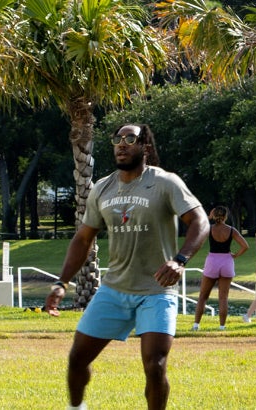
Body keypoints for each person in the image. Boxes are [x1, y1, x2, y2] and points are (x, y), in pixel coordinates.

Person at [45, 123, 208, 410]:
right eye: (118, 139)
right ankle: (76, 408)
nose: (122, 144)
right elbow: (83, 239)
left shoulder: (165, 182)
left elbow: (200, 221)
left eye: (130, 139)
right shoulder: (102, 188)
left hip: (157, 291)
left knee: (155, 366)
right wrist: (62, 282)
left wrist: (180, 259)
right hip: (114, 289)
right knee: (77, 359)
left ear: (145, 146)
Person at [192, 206, 249, 331]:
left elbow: (196, 226)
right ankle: (222, 326)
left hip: (212, 261)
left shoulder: (210, 229)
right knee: (223, 297)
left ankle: (196, 325)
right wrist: (235, 255)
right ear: (225, 217)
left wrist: (208, 217)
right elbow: (245, 246)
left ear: (214, 215)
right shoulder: (231, 230)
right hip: (227, 262)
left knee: (203, 296)